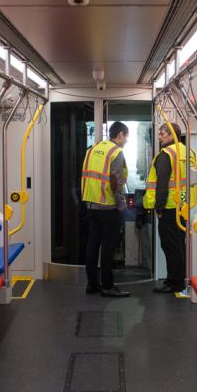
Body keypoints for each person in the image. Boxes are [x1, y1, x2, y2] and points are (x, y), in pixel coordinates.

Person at [145, 122, 197, 294]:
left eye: (162, 133)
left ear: (171, 135)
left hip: (167, 209)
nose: (160, 137)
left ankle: (175, 283)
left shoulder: (166, 155)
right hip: (181, 207)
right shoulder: (187, 152)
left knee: (170, 246)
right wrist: (180, 202)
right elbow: (183, 186)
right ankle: (179, 279)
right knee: (179, 245)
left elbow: (162, 186)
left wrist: (158, 208)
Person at [81, 121, 131, 298]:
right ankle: (108, 286)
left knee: (93, 244)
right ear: (120, 135)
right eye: (126, 136)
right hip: (108, 205)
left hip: (91, 204)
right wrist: (121, 205)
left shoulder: (92, 149)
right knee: (108, 247)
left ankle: (92, 284)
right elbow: (115, 181)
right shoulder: (116, 152)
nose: (126, 140)